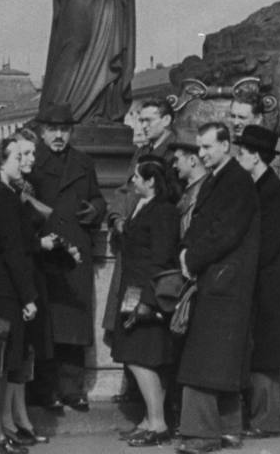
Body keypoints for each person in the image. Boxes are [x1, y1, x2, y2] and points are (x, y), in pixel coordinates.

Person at [174, 122, 259, 454]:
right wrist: (188, 251)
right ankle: (228, 428)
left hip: (224, 279)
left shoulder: (233, 181)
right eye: (200, 148)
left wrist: (189, 258)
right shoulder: (225, 178)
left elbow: (223, 232)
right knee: (222, 357)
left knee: (203, 358)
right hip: (225, 278)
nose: (202, 154)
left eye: (208, 147)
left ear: (227, 145)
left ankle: (201, 434)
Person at [25, 103, 106, 413]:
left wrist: (96, 210)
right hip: (46, 249)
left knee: (75, 320)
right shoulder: (31, 162)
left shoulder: (83, 162)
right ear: (42, 132)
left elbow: (97, 195)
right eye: (53, 130)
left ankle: (74, 389)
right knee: (46, 323)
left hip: (74, 249)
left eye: (64, 130)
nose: (59, 136)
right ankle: (46, 391)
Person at [0, 135, 42, 454]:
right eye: (19, 157)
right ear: (2, 160)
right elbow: (13, 249)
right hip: (4, 288)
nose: (25, 163)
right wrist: (28, 296)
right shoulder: (0, 195)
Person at [111, 160, 180, 447]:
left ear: (152, 181)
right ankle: (149, 420)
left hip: (145, 293)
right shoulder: (144, 205)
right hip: (134, 290)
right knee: (141, 356)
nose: (133, 180)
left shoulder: (163, 211)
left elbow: (161, 258)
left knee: (140, 357)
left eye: (137, 177)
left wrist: (148, 301)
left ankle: (158, 423)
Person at [234, 125, 280, 439]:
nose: (238, 155)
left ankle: (266, 421)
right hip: (259, 284)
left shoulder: (272, 191)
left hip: (268, 287)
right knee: (259, 353)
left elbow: (266, 244)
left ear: (256, 156)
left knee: (265, 357)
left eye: (242, 151)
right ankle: (259, 418)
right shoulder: (258, 186)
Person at [104, 99, 178, 348]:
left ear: (166, 120)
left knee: (142, 330)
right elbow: (125, 190)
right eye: (140, 120)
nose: (142, 126)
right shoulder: (142, 151)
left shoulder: (173, 151)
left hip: (149, 241)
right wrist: (116, 217)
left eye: (148, 120)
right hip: (132, 232)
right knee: (127, 322)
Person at [227, 95, 280, 214]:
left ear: (258, 118)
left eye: (242, 117)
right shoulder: (225, 146)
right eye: (233, 116)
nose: (235, 122)